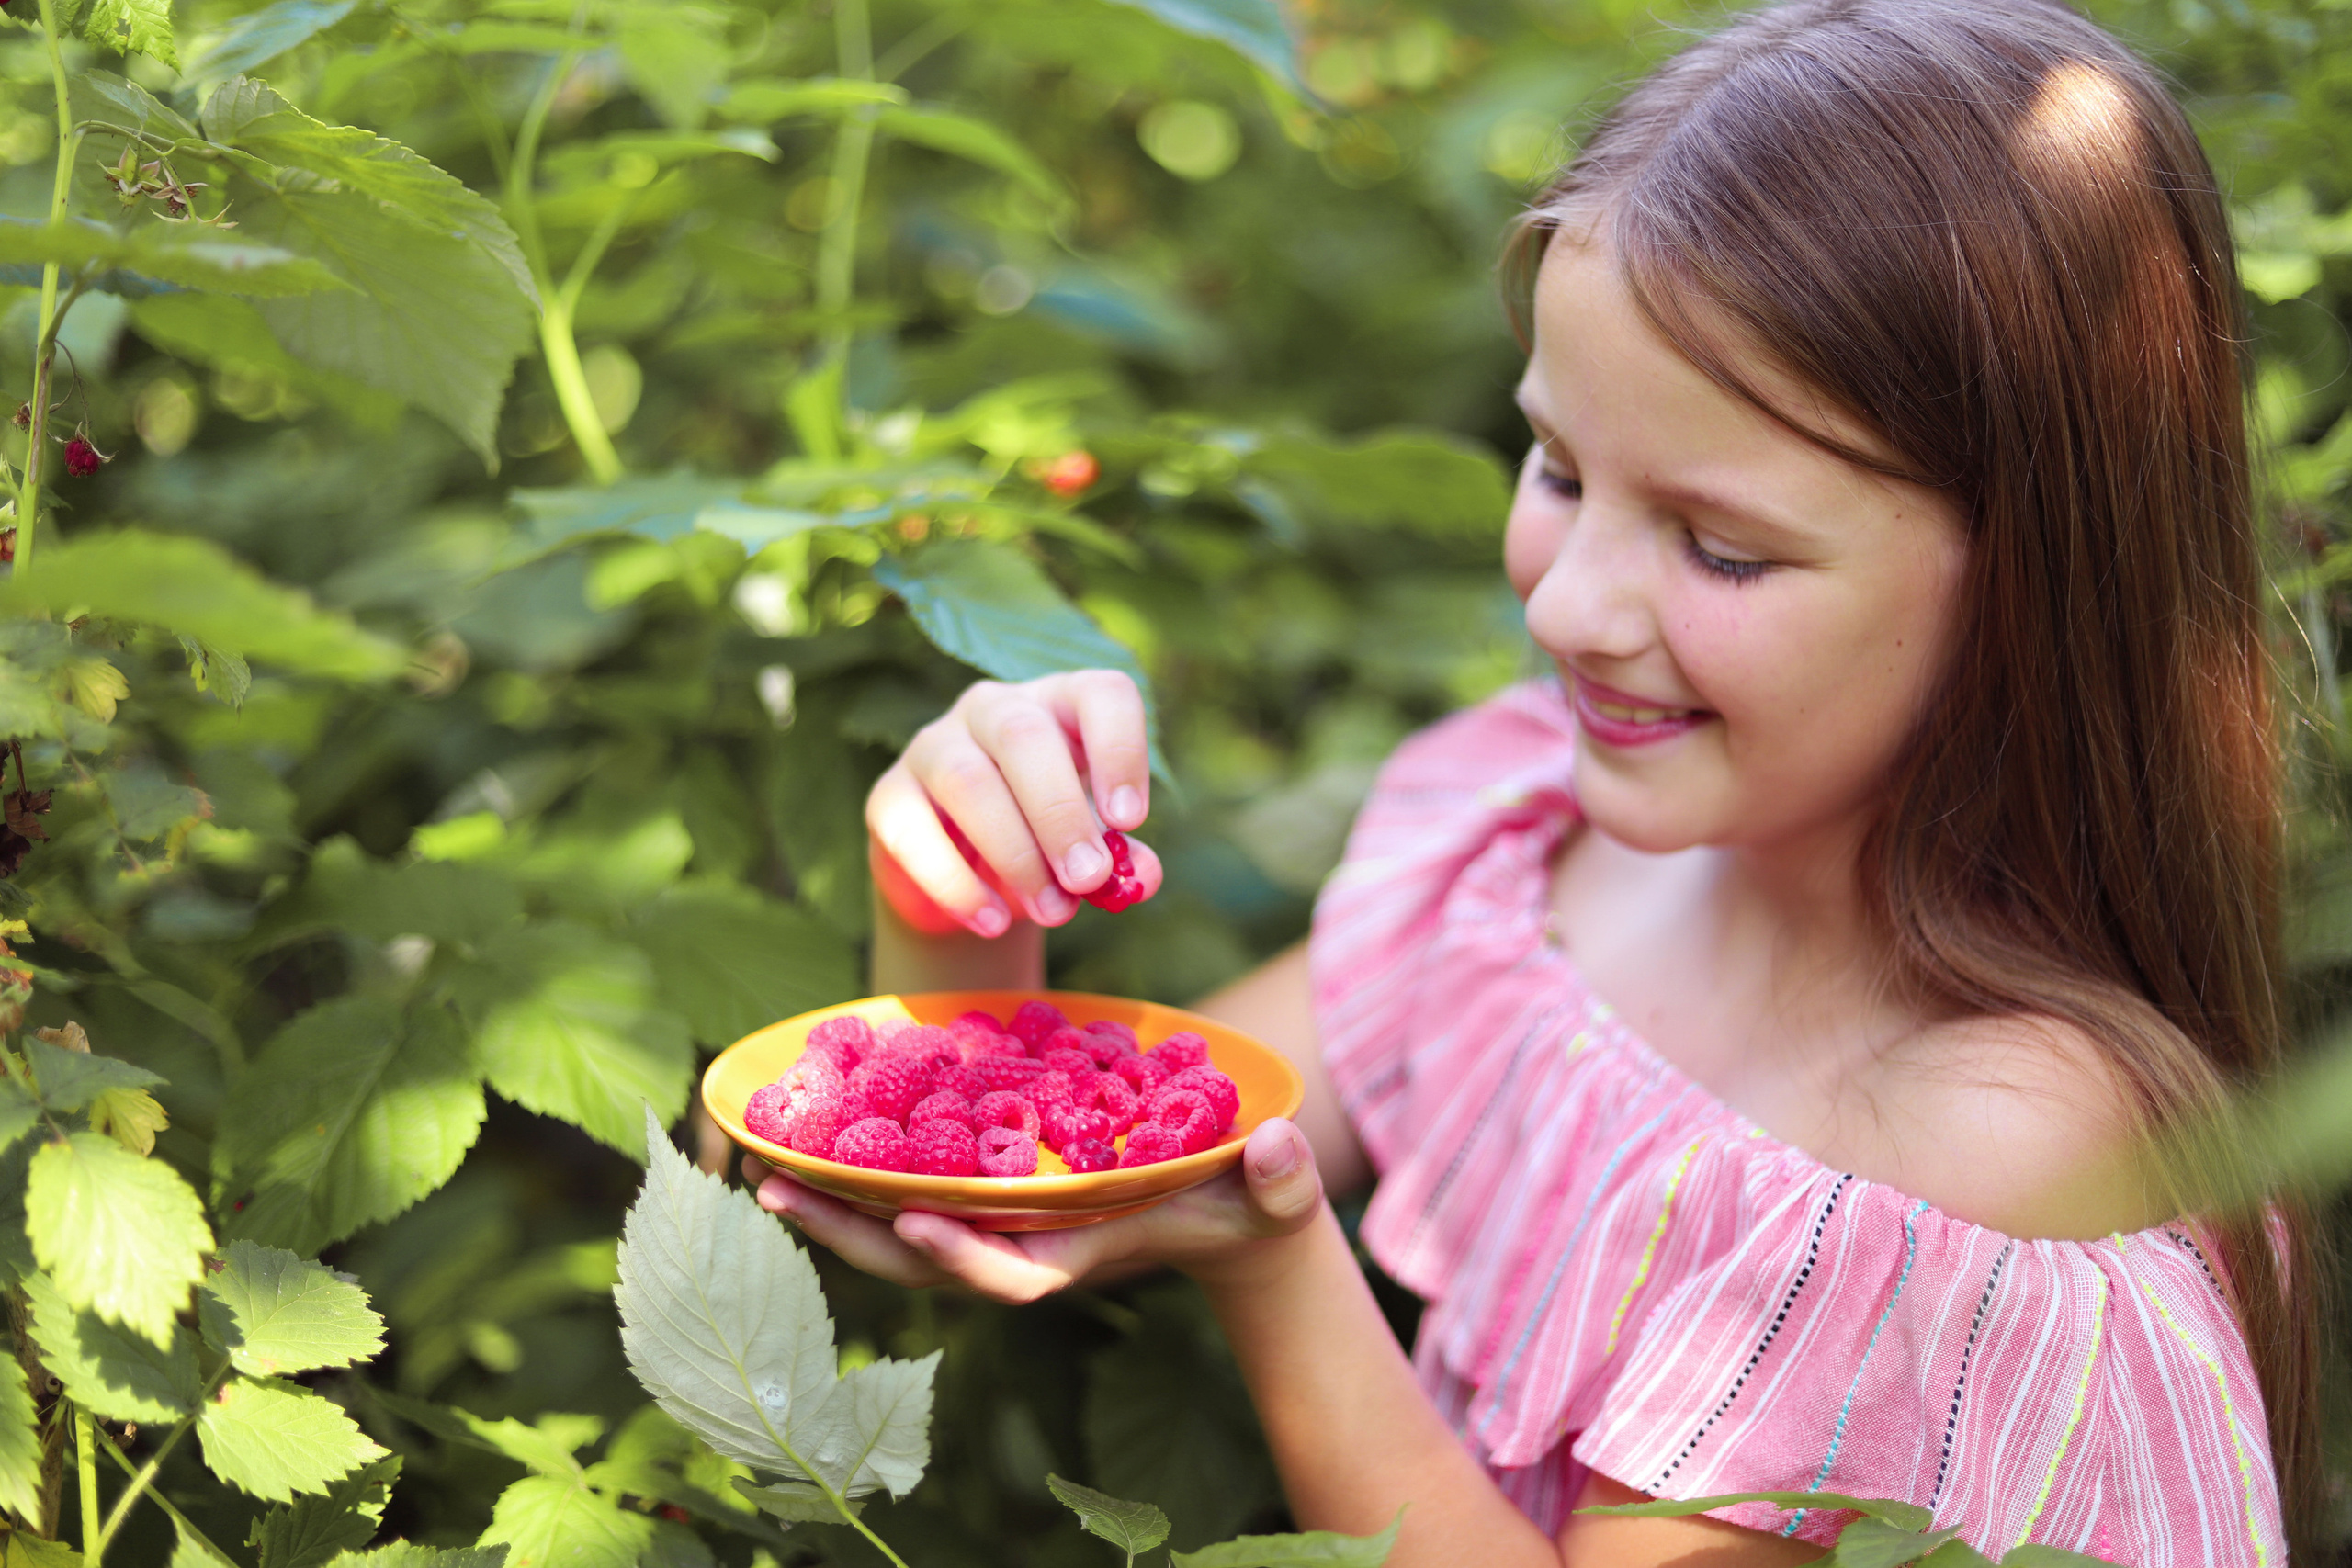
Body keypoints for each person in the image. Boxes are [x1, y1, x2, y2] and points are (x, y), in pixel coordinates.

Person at [750, 3, 2323, 1562]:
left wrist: (1278, 1268)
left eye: (1722, 548)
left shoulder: (1990, 1146)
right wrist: (956, 893)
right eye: (1561, 469)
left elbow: (1231, 1207)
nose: (1566, 607)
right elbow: (1092, 1158)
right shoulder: (1531, 860)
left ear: (2033, 585)